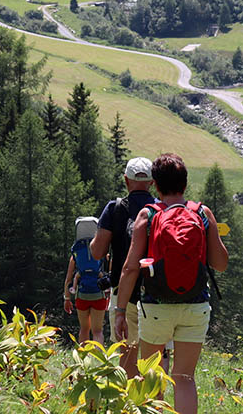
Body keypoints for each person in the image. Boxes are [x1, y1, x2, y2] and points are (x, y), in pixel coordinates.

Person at [113, 153, 228, 414]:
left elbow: (131, 268)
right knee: (184, 377)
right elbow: (220, 264)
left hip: (155, 307)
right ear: (185, 185)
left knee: (152, 376)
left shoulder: (148, 215)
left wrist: (120, 311)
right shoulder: (202, 213)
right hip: (195, 305)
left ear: (155, 184)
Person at [90, 156, 157, 376]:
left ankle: (129, 403)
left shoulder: (114, 209)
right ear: (152, 182)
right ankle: (154, 403)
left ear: (126, 180)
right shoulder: (160, 209)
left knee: (127, 351)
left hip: (123, 291)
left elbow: (97, 251)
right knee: (155, 356)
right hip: (157, 291)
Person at [64, 216, 108, 344]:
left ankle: (83, 358)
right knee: (97, 331)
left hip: (82, 295)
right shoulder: (101, 250)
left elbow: (68, 279)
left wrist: (67, 298)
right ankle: (98, 359)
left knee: (84, 329)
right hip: (98, 295)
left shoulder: (76, 253)